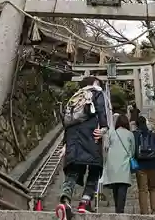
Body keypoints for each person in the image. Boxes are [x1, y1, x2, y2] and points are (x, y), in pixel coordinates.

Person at [56, 76, 109, 219]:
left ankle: (65, 201)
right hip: (90, 134)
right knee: (95, 169)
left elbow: (67, 122)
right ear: (94, 83)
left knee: (73, 170)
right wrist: (104, 128)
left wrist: (65, 144)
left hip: (73, 136)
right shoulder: (96, 92)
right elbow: (101, 110)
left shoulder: (75, 98)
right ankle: (84, 202)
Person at [102, 114, 135, 213]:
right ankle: (120, 211)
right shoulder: (130, 134)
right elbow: (133, 151)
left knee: (115, 188)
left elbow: (106, 147)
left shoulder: (112, 133)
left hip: (112, 165)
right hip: (124, 164)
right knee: (122, 187)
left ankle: (117, 210)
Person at [133, 116, 155, 214]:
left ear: (137, 124)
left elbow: (133, 151)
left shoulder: (135, 135)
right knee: (153, 188)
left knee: (142, 190)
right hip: (152, 165)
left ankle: (144, 212)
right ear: (145, 123)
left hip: (140, 166)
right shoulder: (152, 135)